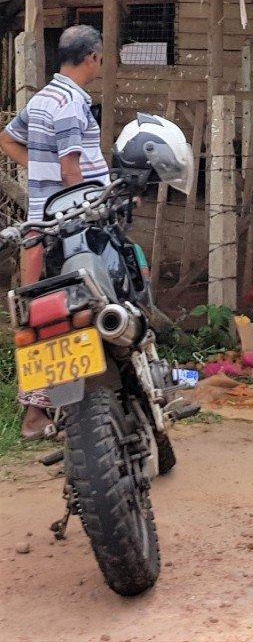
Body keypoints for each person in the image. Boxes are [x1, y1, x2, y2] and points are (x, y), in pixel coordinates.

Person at [0, 25, 108, 440]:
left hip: (41, 224)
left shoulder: (46, 97)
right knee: (59, 318)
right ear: (93, 57)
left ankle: (52, 407)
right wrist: (83, 214)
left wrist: (37, 170)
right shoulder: (69, 106)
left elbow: (8, 140)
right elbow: (70, 172)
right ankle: (39, 414)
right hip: (63, 230)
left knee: (41, 316)